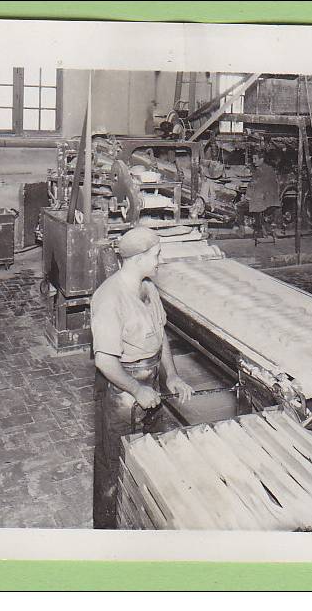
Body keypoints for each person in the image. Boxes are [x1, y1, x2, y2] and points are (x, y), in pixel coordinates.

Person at [89, 226, 194, 529]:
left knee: (149, 454)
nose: (160, 260)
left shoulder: (149, 289)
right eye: (156, 255)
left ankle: (140, 521)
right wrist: (137, 389)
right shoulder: (109, 298)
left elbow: (160, 337)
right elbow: (106, 362)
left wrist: (171, 375)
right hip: (123, 389)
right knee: (114, 463)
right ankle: (107, 534)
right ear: (136, 259)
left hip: (151, 383)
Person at [242, 151, 281, 236]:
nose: (253, 161)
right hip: (271, 201)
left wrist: (247, 196)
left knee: (239, 206)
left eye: (255, 159)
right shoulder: (269, 169)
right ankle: (262, 227)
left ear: (262, 159)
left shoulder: (261, 171)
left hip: (264, 201)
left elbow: (254, 185)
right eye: (253, 159)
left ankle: (248, 229)